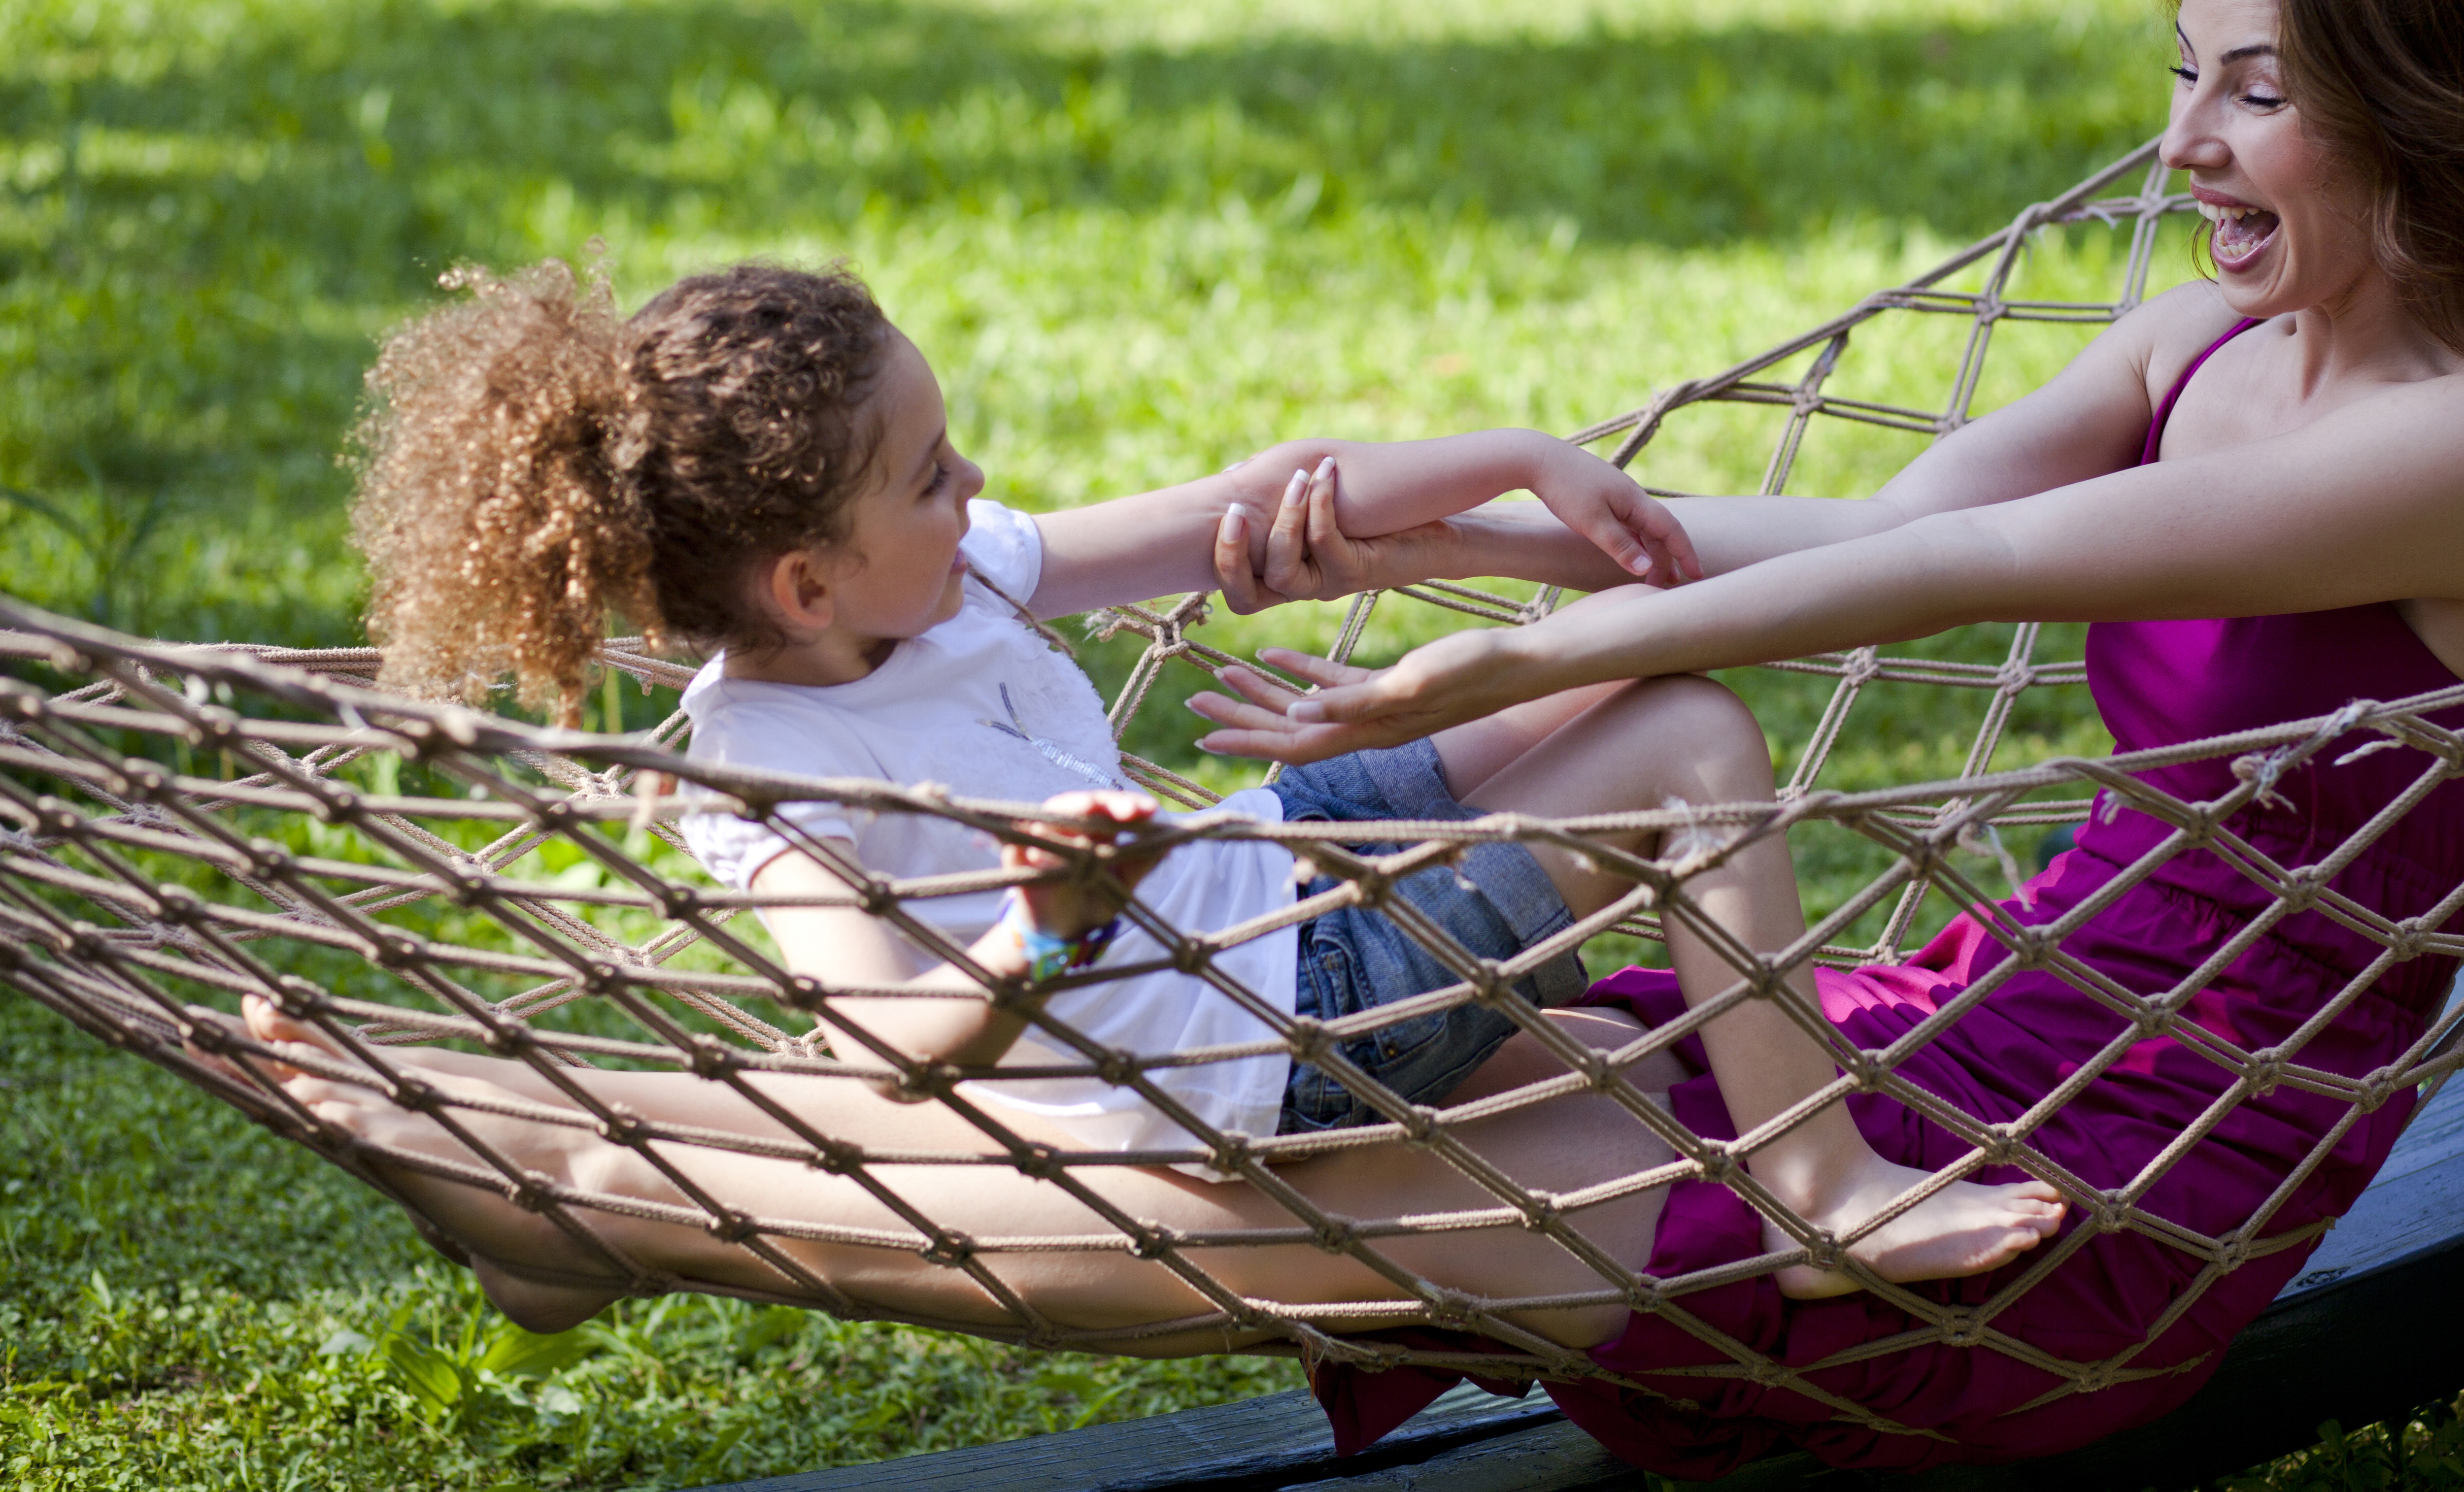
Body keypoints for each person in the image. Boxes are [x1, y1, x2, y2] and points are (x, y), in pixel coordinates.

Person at [240, 0, 2464, 1479]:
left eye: (2259, 91)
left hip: (2131, 1150)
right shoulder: (2195, 344)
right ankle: (558, 1182)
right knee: (1347, 1104)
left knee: (1288, 1198)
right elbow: (1842, 521)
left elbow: (1934, 595)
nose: (2190, 147)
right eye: (2182, 77)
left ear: (2418, 112)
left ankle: (576, 1205)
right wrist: (1475, 528)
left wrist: (1480, 690)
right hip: (1976, 1014)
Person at [263, 257, 2060, 1327]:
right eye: (931, 472)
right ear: (808, 586)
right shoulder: (763, 766)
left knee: (1636, 664)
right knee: (1694, 744)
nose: (972, 486)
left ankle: (1727, 1084)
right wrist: (1042, 928)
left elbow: (1241, 502)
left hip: (1269, 879)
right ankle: (1823, 1194)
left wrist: (1522, 463)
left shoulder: (948, 579)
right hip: (1269, 1041)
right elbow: (889, 1046)